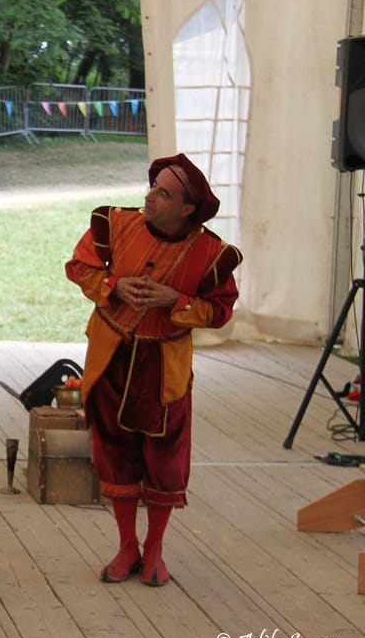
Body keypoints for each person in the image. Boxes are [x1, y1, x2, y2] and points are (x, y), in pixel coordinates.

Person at [65, 154, 242, 587]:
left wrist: (175, 301)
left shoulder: (211, 254)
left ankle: (156, 549)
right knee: (113, 451)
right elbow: (79, 267)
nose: (149, 196)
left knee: (165, 458)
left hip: (164, 368)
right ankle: (127, 546)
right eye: (152, 186)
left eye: (163, 193)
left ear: (187, 209)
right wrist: (113, 286)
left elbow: (219, 311)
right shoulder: (114, 225)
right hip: (111, 355)